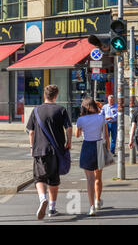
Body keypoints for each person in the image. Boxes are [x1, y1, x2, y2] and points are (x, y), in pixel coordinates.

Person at [27, 85, 72, 219]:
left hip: (40, 149)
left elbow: (31, 132)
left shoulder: (36, 111)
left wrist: (31, 147)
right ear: (56, 96)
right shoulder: (61, 110)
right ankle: (52, 208)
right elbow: (69, 128)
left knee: (39, 178)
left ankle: (42, 199)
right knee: (54, 179)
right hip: (56, 150)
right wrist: (68, 142)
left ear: (44, 95)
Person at [76, 97, 109, 217]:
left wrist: (81, 128)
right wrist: (108, 150)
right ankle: (98, 200)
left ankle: (91, 207)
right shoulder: (101, 117)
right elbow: (106, 135)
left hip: (87, 146)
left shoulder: (81, 119)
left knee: (89, 179)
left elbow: (78, 135)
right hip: (99, 145)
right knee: (98, 177)